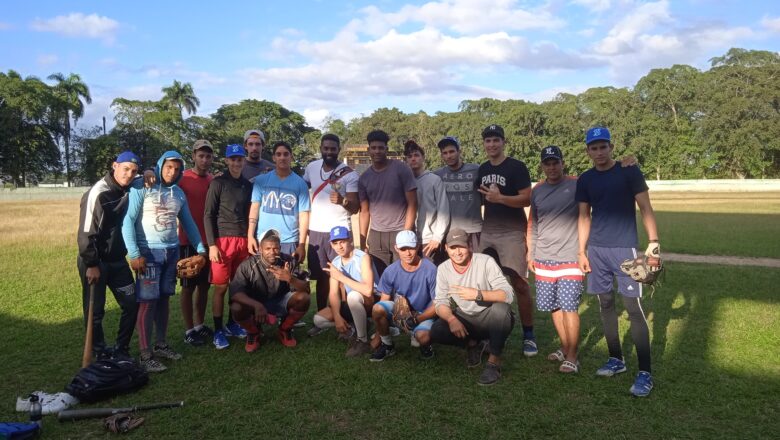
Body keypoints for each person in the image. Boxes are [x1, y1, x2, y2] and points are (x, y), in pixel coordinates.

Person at [576, 126, 661, 397]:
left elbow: (645, 208)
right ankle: (617, 359)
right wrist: (581, 250)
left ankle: (645, 372)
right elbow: (583, 217)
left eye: (603, 146)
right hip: (597, 250)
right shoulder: (586, 179)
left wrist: (654, 243)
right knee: (605, 304)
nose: (599, 152)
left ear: (611, 147)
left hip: (625, 249)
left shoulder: (629, 171)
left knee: (633, 308)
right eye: (594, 148)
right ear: (588, 151)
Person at [122, 151, 206, 372]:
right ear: (160, 165)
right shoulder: (142, 186)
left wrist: (201, 250)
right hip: (148, 253)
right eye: (169, 167)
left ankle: (160, 344)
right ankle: (145, 353)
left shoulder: (178, 193)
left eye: (177, 169)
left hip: (171, 252)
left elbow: (188, 223)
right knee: (147, 302)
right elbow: (128, 222)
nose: (173, 172)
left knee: (164, 299)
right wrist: (133, 253)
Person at [476, 124, 537, 356]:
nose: (491, 144)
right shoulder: (482, 169)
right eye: (488, 140)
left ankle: (529, 335)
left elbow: (526, 199)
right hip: (488, 231)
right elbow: (480, 200)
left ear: (503, 142)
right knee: (482, 283)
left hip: (512, 232)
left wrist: (500, 198)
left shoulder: (516, 167)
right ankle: (486, 332)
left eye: (495, 140)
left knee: (519, 283)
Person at [76, 151, 143, 360]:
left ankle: (121, 349)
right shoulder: (98, 192)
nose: (129, 174)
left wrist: (149, 172)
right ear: (115, 166)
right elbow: (86, 232)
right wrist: (92, 264)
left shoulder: (129, 186)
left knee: (132, 303)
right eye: (125, 169)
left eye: (133, 171)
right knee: (95, 312)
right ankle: (99, 351)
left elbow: (148, 176)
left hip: (118, 261)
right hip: (95, 261)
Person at [429, 228, 515, 386]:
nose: (457, 252)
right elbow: (440, 302)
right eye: (453, 247)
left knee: (502, 310)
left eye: (461, 246)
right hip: (465, 317)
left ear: (470, 246)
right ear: (446, 248)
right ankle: (472, 345)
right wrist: (451, 318)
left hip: (489, 316)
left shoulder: (485, 261)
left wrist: (478, 294)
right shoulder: (443, 269)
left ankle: (493, 363)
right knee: (436, 330)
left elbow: (508, 294)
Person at [527, 145, 584, 374]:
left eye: (555, 162)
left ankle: (572, 355)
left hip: (570, 257)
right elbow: (533, 224)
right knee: (554, 307)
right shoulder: (537, 190)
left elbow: (586, 215)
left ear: (562, 163)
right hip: (543, 258)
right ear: (542, 166)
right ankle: (564, 346)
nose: (552, 167)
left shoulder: (577, 184)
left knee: (570, 306)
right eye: (547, 163)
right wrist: (530, 253)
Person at [203, 144, 253, 349]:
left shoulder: (247, 185)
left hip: (242, 240)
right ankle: (218, 330)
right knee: (221, 288)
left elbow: (251, 214)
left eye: (239, 159)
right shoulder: (218, 183)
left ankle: (233, 323)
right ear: (226, 160)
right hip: (223, 242)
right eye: (232, 159)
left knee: (237, 286)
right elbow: (208, 215)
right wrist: (212, 245)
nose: (236, 163)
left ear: (244, 160)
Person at [303, 133, 359, 313]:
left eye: (333, 149)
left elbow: (355, 207)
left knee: (342, 274)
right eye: (326, 148)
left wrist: (343, 200)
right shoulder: (311, 167)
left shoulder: (350, 174)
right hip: (316, 230)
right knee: (321, 276)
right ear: (320, 148)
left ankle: (345, 314)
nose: (329, 152)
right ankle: (322, 313)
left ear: (338, 150)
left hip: (339, 230)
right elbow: (301, 189)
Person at [228, 229, 311, 352]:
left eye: (276, 248)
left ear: (280, 248)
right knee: (236, 308)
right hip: (256, 304)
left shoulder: (289, 261)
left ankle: (285, 329)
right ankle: (254, 332)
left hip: (281, 301)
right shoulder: (247, 265)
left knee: (304, 298)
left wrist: (290, 279)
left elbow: (306, 289)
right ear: (260, 249)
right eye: (267, 249)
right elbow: (235, 293)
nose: (272, 252)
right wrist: (257, 305)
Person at [309, 226, 379, 356]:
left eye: (342, 241)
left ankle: (362, 340)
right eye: (335, 243)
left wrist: (341, 277)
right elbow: (334, 293)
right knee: (318, 319)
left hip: (372, 302)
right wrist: (337, 317)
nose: (339, 246)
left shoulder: (362, 257)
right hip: (353, 303)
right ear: (331, 244)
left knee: (353, 296)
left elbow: (368, 290)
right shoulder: (335, 262)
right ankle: (354, 327)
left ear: (350, 240)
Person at [370, 231, 437, 361]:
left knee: (422, 336)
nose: (407, 253)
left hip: (424, 313)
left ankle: (425, 345)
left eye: (411, 248)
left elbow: (438, 303)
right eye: (403, 249)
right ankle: (387, 344)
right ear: (396, 248)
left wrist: (417, 319)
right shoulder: (390, 271)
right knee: (377, 309)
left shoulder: (431, 269)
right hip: (401, 311)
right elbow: (383, 301)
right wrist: (379, 335)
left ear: (417, 246)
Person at [358, 130, 417, 273]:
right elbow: (364, 211)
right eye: (374, 148)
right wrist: (362, 241)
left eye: (380, 147)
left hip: (400, 229)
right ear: (368, 150)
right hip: (377, 234)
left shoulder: (401, 169)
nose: (377, 151)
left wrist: (407, 233)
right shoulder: (364, 178)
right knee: (381, 276)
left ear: (386, 149)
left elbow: (413, 204)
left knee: (404, 274)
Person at [177, 139, 215, 347]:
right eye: (201, 155)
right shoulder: (182, 179)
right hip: (187, 240)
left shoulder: (212, 180)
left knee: (203, 285)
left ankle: (200, 325)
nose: (204, 159)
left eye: (208, 156)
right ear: (193, 156)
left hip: (207, 240)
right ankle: (189, 329)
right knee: (188, 285)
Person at [248, 141, 310, 263]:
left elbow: (304, 215)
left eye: (286, 154)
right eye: (279, 154)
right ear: (274, 158)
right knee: (262, 280)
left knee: (288, 279)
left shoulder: (300, 183)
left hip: (289, 240)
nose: (282, 157)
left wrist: (302, 244)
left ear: (291, 157)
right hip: (264, 240)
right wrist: (250, 236)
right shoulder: (261, 181)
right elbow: (255, 208)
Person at [434, 136, 482, 256]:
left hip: (472, 229)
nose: (448, 156)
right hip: (448, 231)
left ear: (459, 151)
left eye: (451, 151)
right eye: (444, 153)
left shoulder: (477, 170)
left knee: (476, 268)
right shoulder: (437, 175)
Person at [403, 140, 449, 260]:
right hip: (408, 239)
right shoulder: (403, 182)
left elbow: (443, 211)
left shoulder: (434, 180)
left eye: (416, 155)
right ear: (406, 160)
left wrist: (437, 237)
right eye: (409, 156)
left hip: (429, 239)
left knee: (430, 275)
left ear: (423, 157)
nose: (413, 159)